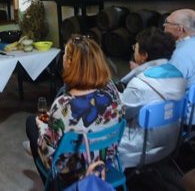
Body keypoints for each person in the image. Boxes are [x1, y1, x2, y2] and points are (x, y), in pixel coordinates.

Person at [25, 35, 124, 185]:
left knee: (31, 123)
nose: (63, 57)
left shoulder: (64, 104)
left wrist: (42, 127)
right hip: (105, 161)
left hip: (76, 172)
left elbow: (49, 156)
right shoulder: (112, 91)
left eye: (64, 54)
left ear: (70, 62)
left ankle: (53, 183)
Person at [118, 27, 186, 168]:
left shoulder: (140, 83)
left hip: (141, 149)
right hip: (171, 141)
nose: (133, 51)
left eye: (135, 48)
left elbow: (122, 113)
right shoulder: (179, 76)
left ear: (144, 55)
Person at [164, 8, 195, 87]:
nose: (164, 26)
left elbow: (163, 86)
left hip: (184, 98)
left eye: (167, 23)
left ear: (180, 29)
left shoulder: (180, 54)